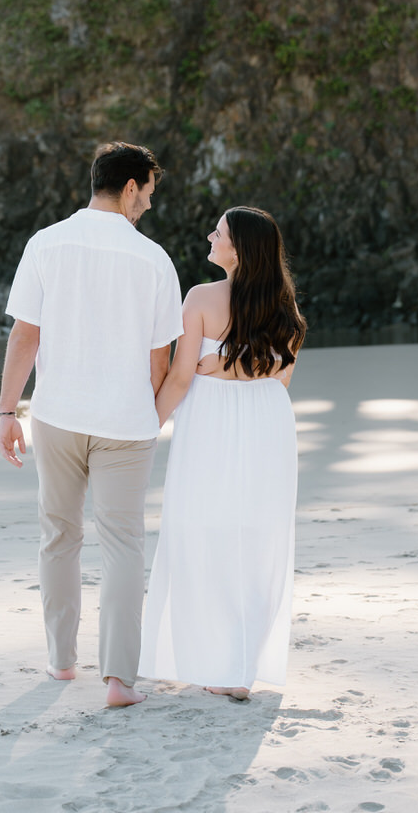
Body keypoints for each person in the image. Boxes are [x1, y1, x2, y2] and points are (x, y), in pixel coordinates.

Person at [0, 141, 183, 708]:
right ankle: (120, 682)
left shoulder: (46, 243)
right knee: (124, 544)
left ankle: (60, 662)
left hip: (56, 414)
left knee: (59, 535)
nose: (147, 205)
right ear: (130, 187)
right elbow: (161, 361)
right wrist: (146, 416)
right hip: (126, 423)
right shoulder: (154, 259)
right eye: (147, 193)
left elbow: (25, 336)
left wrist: (7, 411)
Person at [138, 205, 306, 700]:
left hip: (212, 423)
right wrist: (232, 366)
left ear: (240, 248)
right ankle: (240, 665)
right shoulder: (288, 308)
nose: (210, 235)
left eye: (220, 231)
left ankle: (217, 663)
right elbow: (279, 378)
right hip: (268, 424)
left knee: (200, 532)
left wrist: (146, 425)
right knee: (256, 537)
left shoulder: (202, 298)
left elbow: (182, 374)